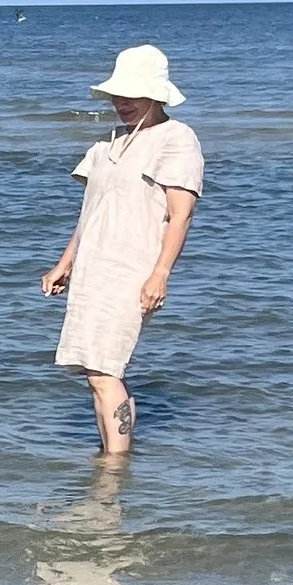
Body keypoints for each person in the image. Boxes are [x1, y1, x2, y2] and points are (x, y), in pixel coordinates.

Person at [40, 45, 202, 455]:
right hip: (93, 269)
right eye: (118, 95)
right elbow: (90, 213)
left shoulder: (177, 139)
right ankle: (112, 456)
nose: (122, 104)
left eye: (132, 95)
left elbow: (180, 215)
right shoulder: (106, 145)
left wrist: (160, 274)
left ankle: (114, 465)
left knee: (105, 370)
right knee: (95, 372)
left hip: (131, 270)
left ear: (157, 94)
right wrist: (65, 264)